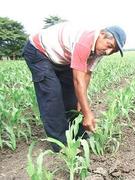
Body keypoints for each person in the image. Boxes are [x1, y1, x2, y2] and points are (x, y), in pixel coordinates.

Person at [22, 22, 126, 152]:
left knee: (71, 97)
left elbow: (86, 74)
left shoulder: (99, 52)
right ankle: (61, 145)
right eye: (109, 46)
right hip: (39, 52)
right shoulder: (84, 42)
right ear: (102, 34)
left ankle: (78, 133)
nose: (108, 51)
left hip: (61, 58)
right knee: (52, 95)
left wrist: (81, 104)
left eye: (113, 51)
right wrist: (87, 113)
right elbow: (78, 80)